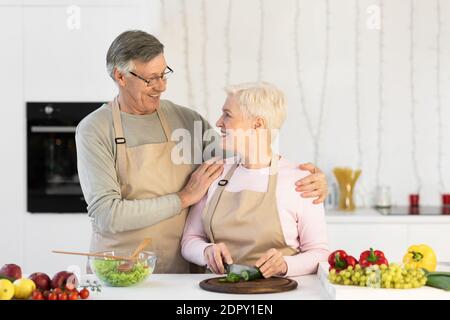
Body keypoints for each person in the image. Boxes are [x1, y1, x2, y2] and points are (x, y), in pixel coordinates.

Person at [76, 30, 328, 273]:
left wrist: (309, 177)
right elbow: (107, 215)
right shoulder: (95, 129)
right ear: (121, 77)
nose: (161, 86)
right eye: (151, 79)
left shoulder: (185, 120)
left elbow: (245, 156)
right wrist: (183, 198)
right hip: (121, 270)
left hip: (180, 272)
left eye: (164, 74)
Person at [181, 82, 329, 277]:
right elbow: (190, 239)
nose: (218, 123)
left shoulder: (300, 180)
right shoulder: (214, 171)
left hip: (281, 293)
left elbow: (320, 253)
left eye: (228, 114)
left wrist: (285, 265)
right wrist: (205, 251)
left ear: (257, 124)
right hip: (218, 291)